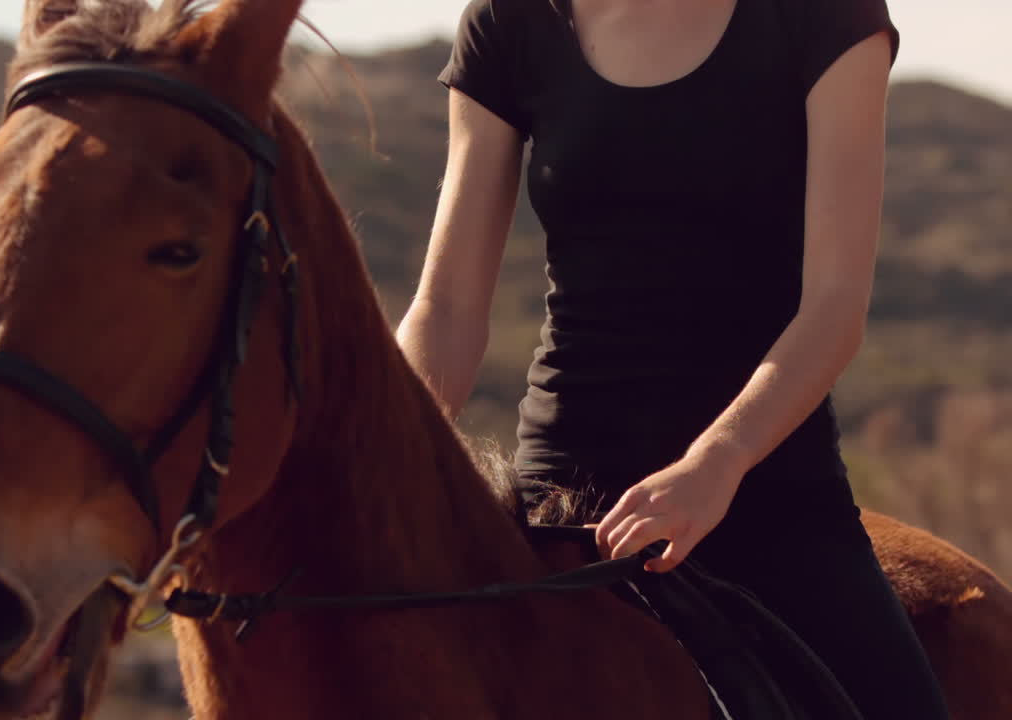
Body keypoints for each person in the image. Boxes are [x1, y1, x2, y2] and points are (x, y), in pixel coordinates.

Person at [395, 0, 950, 717]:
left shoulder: (824, 14)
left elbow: (835, 309)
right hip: (563, 500)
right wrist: (373, 466)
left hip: (767, 492)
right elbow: (447, 312)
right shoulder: (511, 19)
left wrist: (714, 464)